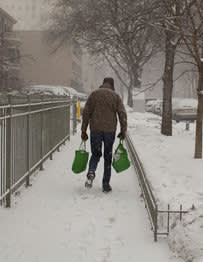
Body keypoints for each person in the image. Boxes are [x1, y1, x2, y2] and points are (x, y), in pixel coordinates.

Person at [81, 77, 127, 193]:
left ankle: (91, 171)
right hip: (109, 130)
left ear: (103, 83)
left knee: (95, 154)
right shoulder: (115, 96)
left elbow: (86, 112)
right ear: (112, 85)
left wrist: (84, 130)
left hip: (95, 129)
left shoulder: (94, 94)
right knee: (107, 156)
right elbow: (122, 114)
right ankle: (106, 184)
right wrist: (123, 130)